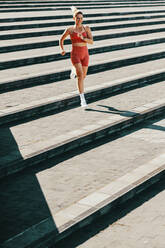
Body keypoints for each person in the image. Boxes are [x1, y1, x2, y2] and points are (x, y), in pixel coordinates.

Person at [59, 6, 93, 107]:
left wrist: (84, 38)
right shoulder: (70, 30)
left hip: (85, 54)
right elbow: (61, 39)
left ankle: (73, 69)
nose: (80, 20)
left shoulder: (86, 28)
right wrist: (61, 49)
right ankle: (82, 99)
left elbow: (91, 41)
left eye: (81, 18)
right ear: (74, 18)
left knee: (84, 76)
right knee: (80, 76)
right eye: (78, 18)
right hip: (75, 54)